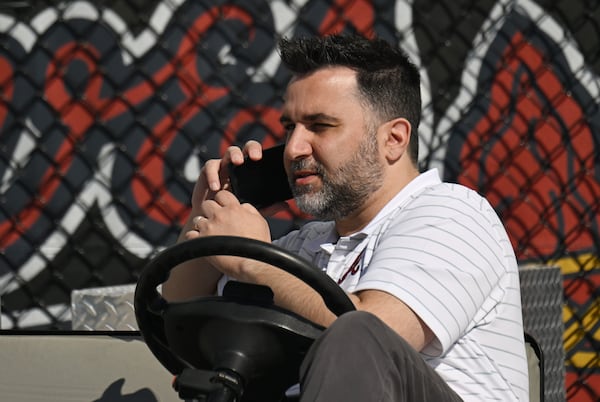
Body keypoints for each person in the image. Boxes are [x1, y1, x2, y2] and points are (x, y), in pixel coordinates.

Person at [162, 34, 529, 401]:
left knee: (356, 333)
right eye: (290, 127)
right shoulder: (305, 246)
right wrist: (212, 209)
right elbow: (176, 313)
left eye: (320, 126)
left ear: (394, 139)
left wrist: (255, 263)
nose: (293, 149)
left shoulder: (452, 214)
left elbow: (379, 334)